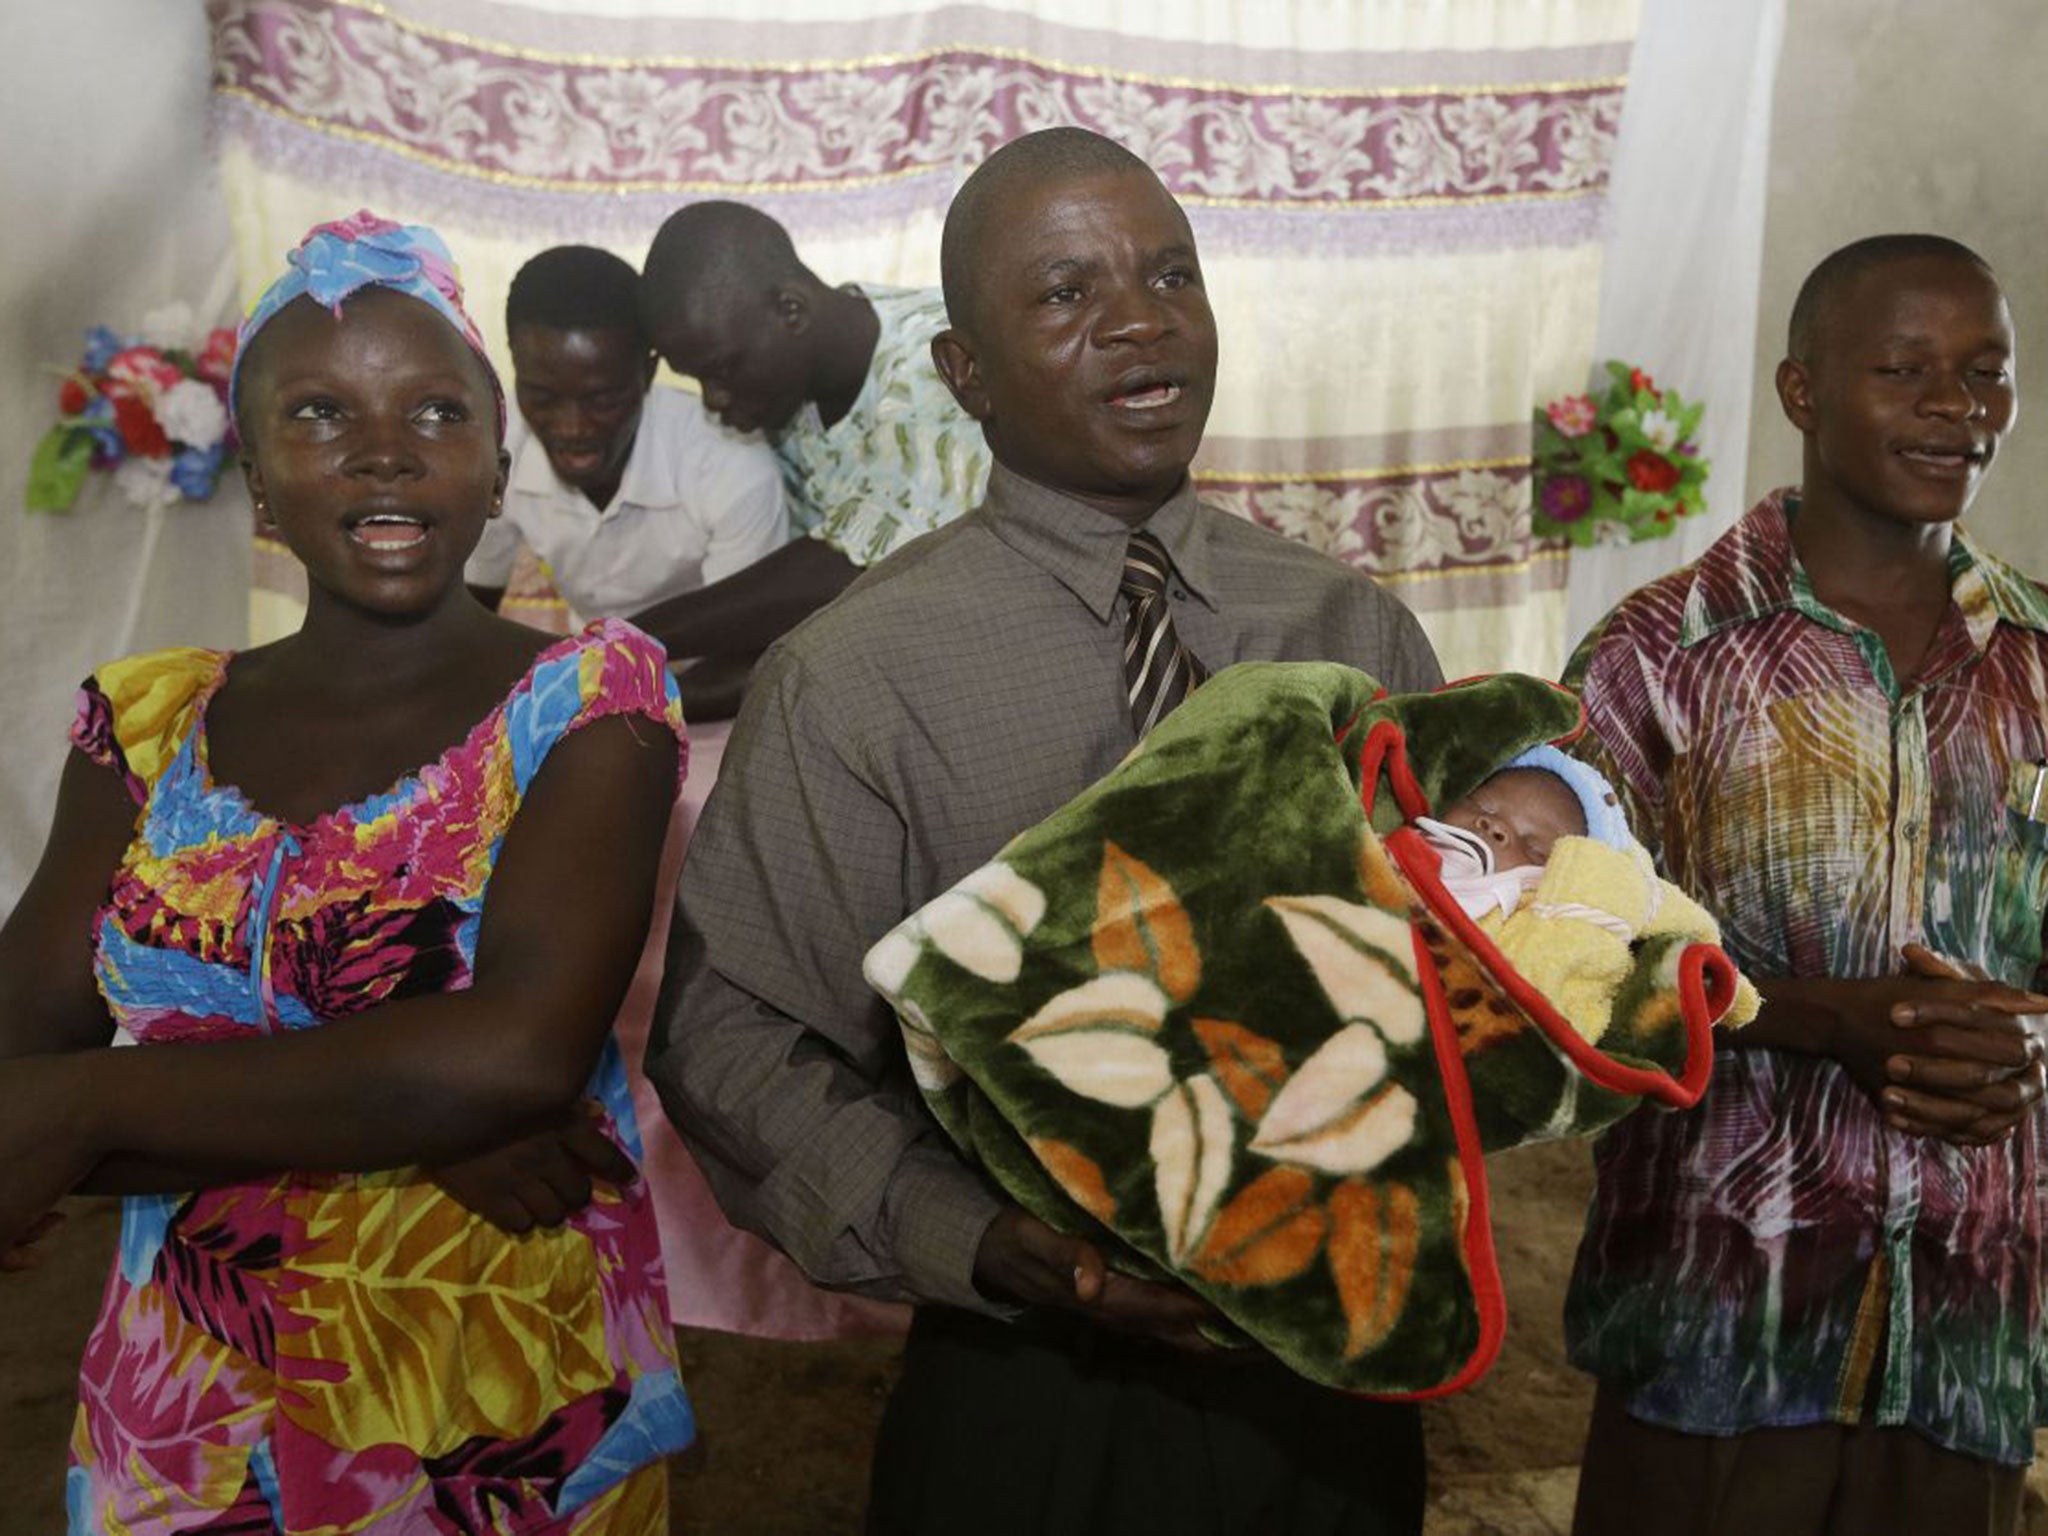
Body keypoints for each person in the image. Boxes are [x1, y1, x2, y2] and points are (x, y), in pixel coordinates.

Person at [646, 128, 1441, 1534]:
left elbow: (1447, 958)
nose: (1140, 322)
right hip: (1024, 1372)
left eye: (1170, 275)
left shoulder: (1344, 625)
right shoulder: (857, 672)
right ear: (964, 373)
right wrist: (976, 1240)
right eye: (1066, 293)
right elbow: (730, 1040)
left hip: (1330, 1359)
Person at [0, 213, 692, 1531]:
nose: (385, 448)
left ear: (498, 465)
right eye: (320, 413)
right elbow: (10, 1062)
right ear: (257, 474)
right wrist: (406, 1113)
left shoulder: (586, 701)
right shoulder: (145, 725)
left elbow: (514, 1056)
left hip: (486, 1408)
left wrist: (93, 1110)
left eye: (436, 411)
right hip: (188, 1415)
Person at [1562, 234, 2048, 1536]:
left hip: (1969, 1327)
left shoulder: (2046, 661)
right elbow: (1558, 962)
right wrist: (1821, 1017)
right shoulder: (1657, 658)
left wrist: (2027, 1044)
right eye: (1906, 369)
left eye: (1986, 372)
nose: (1959, 407)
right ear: (1802, 392)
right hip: (1717, 1318)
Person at [626, 201, 990, 714]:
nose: (714, 400)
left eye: (723, 369)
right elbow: (796, 626)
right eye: (698, 380)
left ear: (790, 311)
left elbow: (846, 572)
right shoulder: (779, 404)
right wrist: (629, 694)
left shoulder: (940, 361)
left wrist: (625, 641)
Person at [466, 243, 786, 715]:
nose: (571, 428)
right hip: (585, 677)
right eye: (542, 396)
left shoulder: (731, 466)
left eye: (603, 400)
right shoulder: (496, 448)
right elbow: (473, 606)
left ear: (648, 371)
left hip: (704, 692)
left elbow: (755, 657)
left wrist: (589, 708)